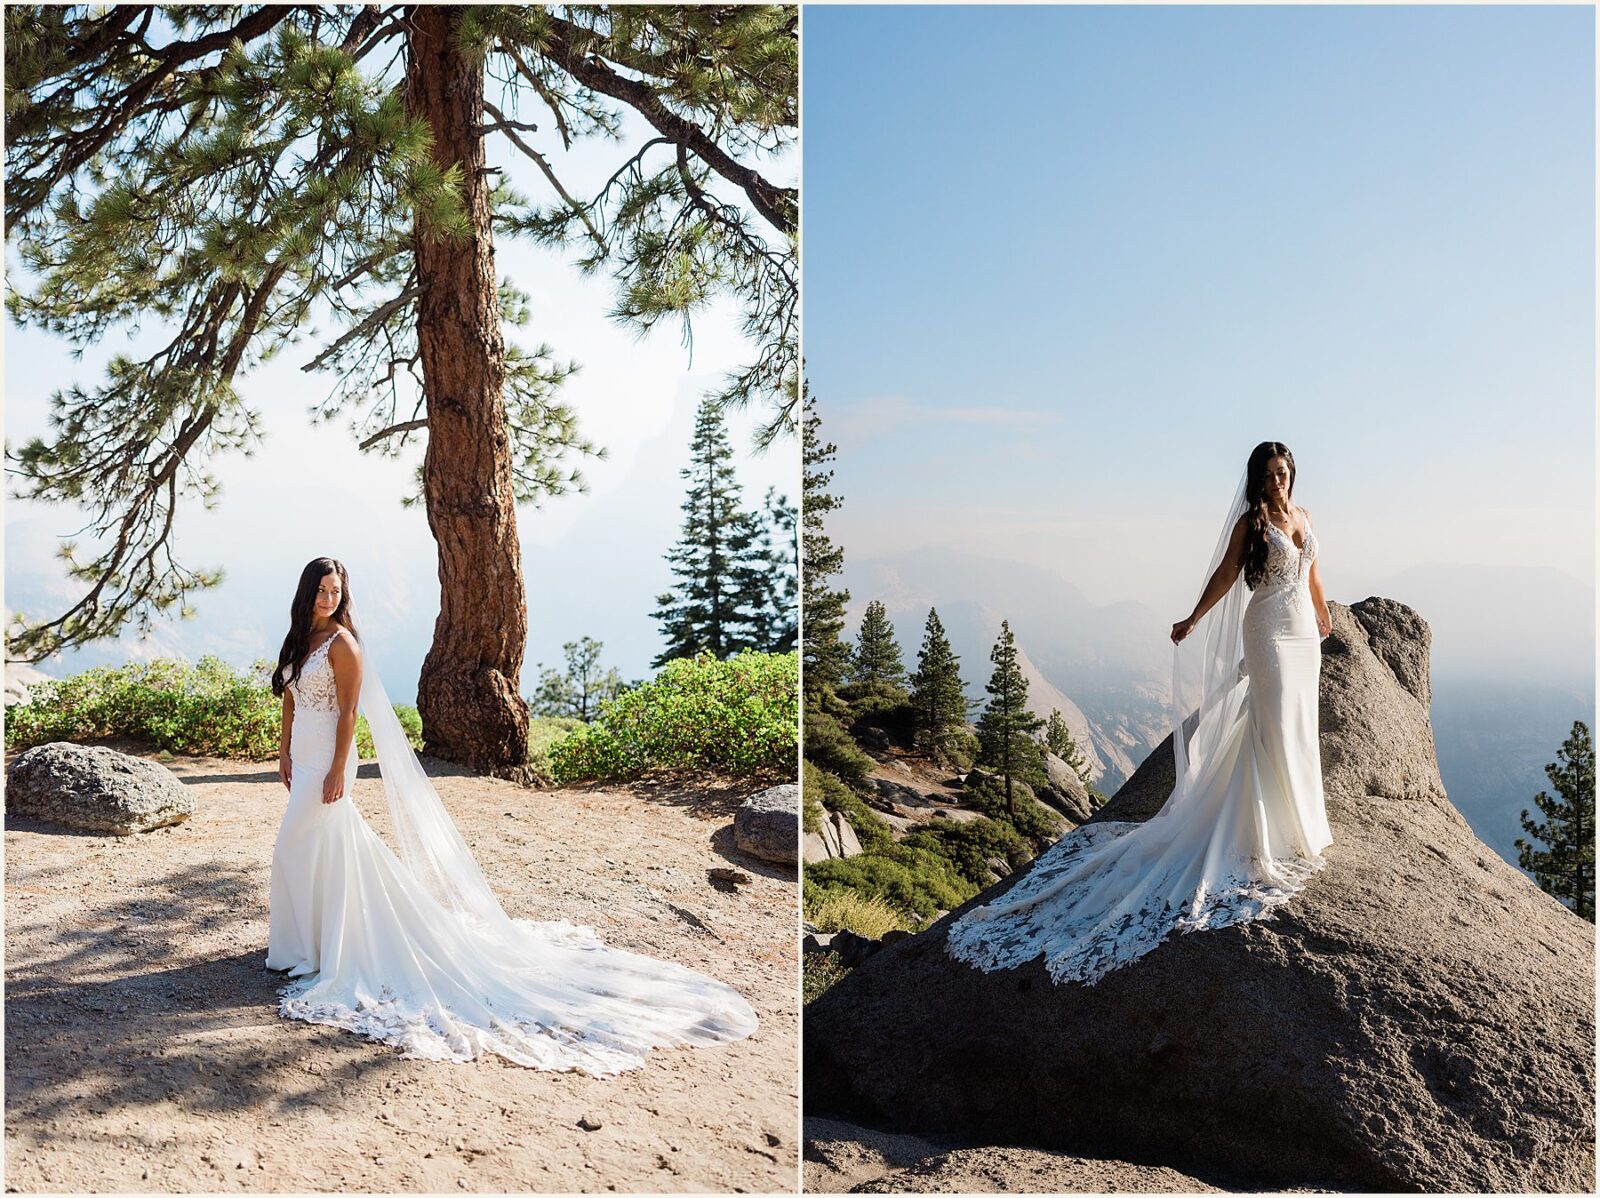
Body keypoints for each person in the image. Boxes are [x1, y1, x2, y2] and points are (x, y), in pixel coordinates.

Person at [266, 557, 758, 1073]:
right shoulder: (301, 639)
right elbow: (292, 701)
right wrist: (283, 752)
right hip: (301, 757)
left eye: (336, 591)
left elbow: (347, 713)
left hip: (326, 761)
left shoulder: (344, 645)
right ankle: (312, 946)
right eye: (322, 590)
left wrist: (339, 769)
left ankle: (317, 949)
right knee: (319, 849)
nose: (329, 599)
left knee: (296, 846)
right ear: (307, 593)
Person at [945, 442, 1333, 985]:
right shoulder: (1252, 522)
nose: (1278, 481)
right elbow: (1226, 574)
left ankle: (1299, 820)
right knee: (1270, 722)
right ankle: (1264, 829)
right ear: (1256, 478)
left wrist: (1320, 608)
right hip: (1267, 629)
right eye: (1269, 474)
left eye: (1284, 472)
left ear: (1293, 474)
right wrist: (1194, 618)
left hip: (1301, 635)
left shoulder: (1305, 516)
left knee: (1296, 723)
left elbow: (1312, 569)